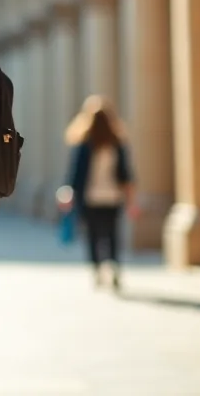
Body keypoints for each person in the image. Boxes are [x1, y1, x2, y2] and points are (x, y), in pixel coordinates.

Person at [57, 95, 138, 290]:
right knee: (112, 234)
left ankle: (97, 270)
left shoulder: (84, 145)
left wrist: (68, 193)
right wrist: (130, 200)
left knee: (93, 235)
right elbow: (126, 176)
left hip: (91, 197)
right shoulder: (116, 144)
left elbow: (75, 174)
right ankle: (114, 266)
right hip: (112, 197)